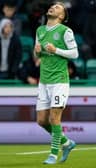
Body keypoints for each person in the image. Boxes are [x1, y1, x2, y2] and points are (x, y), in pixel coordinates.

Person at [34, 2, 78, 164]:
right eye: (53, 5)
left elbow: (75, 53)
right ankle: (66, 143)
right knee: (41, 121)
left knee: (54, 118)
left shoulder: (65, 31)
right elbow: (38, 55)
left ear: (61, 16)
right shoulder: (40, 30)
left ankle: (53, 154)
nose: (53, 7)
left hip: (59, 80)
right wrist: (38, 53)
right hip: (44, 81)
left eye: (58, 7)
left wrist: (56, 50)